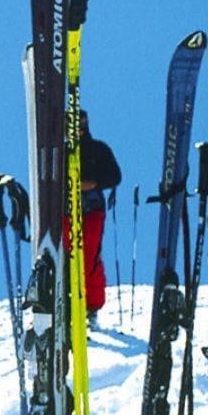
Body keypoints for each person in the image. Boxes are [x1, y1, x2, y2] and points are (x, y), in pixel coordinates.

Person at [76, 114, 122, 326]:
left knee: (90, 256)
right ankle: (68, 302)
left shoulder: (98, 149)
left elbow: (115, 176)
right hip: (67, 209)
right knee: (68, 254)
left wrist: (94, 184)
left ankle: (91, 308)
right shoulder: (64, 151)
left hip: (92, 207)